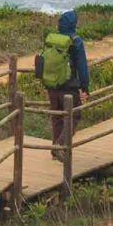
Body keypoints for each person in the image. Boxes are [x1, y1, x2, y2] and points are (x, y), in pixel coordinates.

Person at [39, 10, 89, 157]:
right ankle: (59, 146)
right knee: (75, 115)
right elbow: (82, 66)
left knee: (57, 117)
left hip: (52, 86)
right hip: (69, 87)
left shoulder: (52, 39)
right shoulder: (76, 41)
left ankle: (56, 147)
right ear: (74, 24)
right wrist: (84, 86)